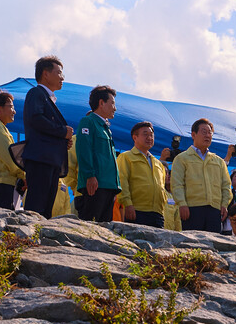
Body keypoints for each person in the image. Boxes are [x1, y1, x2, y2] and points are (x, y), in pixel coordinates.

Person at [22, 56, 75, 217]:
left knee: (46, 209)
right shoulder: (36, 93)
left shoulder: (48, 98)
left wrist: (62, 140)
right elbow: (36, 119)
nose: (62, 77)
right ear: (45, 74)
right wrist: (61, 131)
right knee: (36, 206)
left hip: (50, 160)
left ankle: (38, 240)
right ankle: (29, 239)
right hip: (40, 159)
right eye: (59, 73)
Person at [170, 118, 231, 232]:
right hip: (191, 209)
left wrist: (224, 204)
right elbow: (177, 184)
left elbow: (226, 185)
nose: (208, 135)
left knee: (212, 247)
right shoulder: (182, 158)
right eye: (204, 132)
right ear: (193, 134)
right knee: (192, 246)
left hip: (214, 210)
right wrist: (182, 204)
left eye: (210, 133)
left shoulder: (219, 161)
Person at [75, 85, 119, 224]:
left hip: (109, 186)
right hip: (95, 185)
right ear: (101, 103)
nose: (115, 108)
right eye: (112, 103)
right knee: (90, 225)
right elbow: (84, 150)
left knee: (104, 229)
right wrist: (90, 175)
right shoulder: (88, 122)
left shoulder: (106, 128)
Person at [116, 121, 168, 228]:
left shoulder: (157, 163)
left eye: (151, 135)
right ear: (135, 138)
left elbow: (161, 186)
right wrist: (128, 204)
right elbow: (122, 181)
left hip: (157, 213)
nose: (149, 138)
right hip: (136, 210)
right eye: (145, 134)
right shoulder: (126, 157)